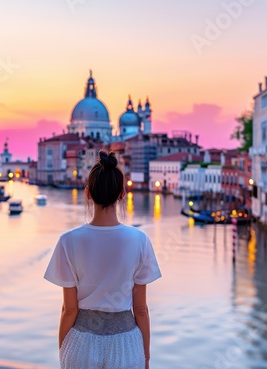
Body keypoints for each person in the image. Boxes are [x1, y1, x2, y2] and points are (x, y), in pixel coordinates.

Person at [44, 150, 162, 369]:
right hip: (126, 344)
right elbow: (141, 309)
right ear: (121, 194)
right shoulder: (139, 240)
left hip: (81, 343)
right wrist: (145, 357)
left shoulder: (68, 241)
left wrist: (64, 351)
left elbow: (69, 310)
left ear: (88, 193)